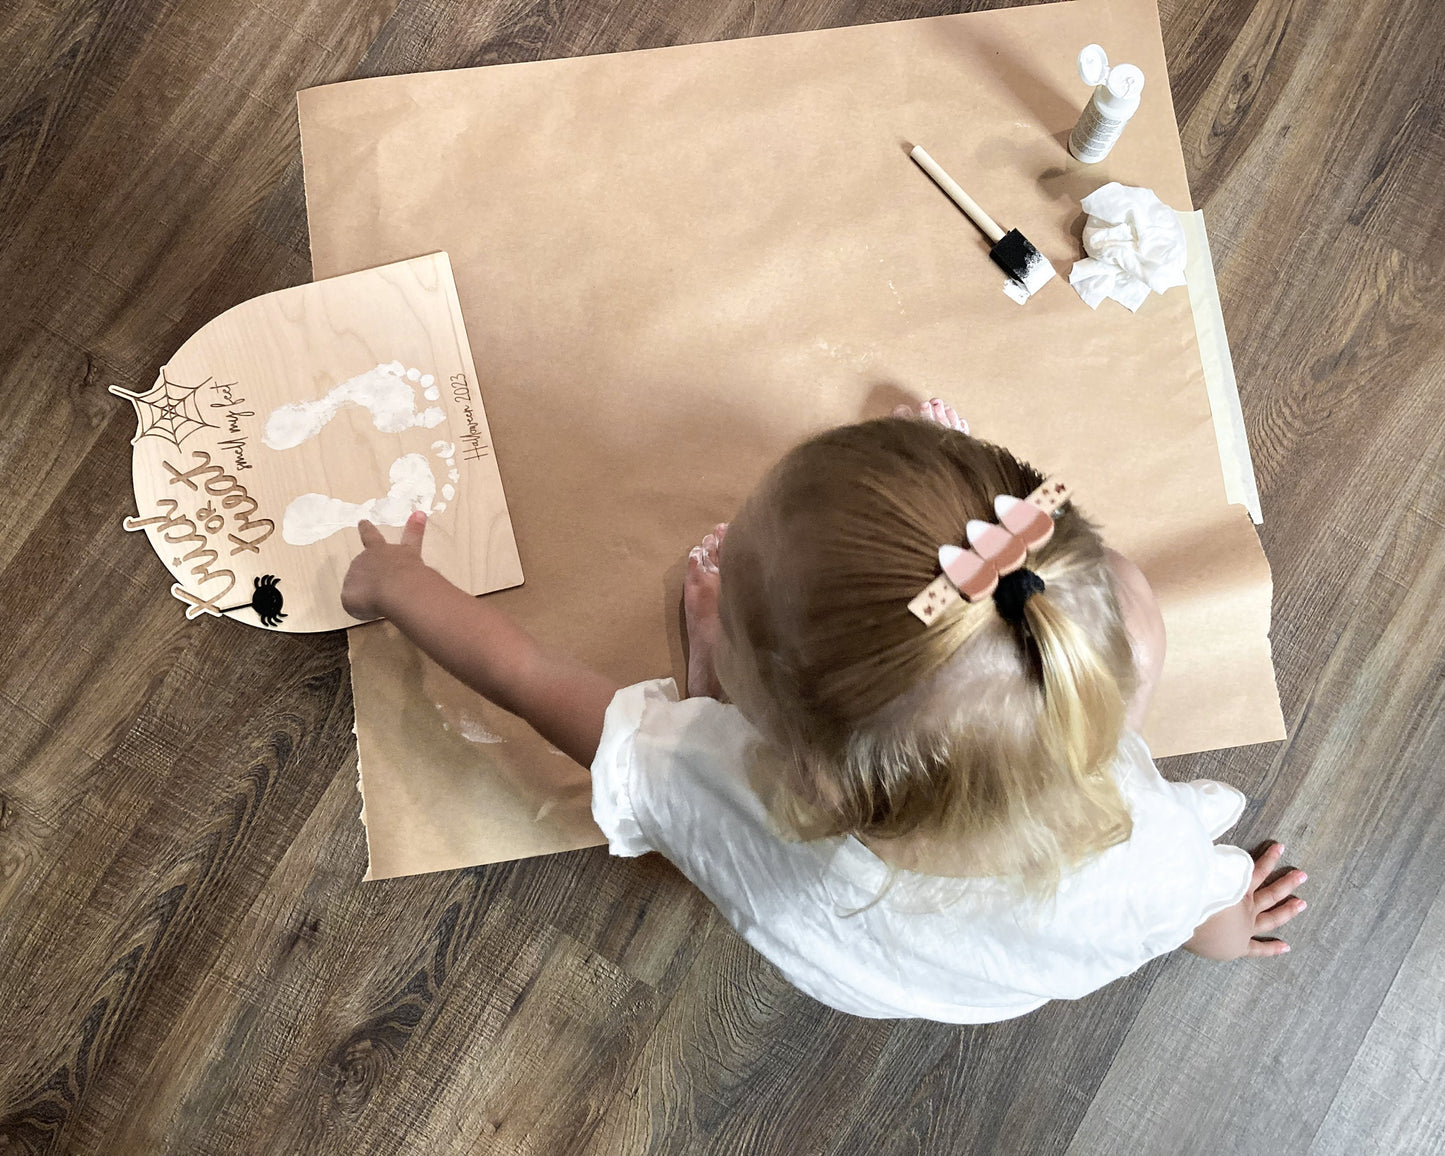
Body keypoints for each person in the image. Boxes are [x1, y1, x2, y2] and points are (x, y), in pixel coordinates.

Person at [340, 400, 1306, 1022]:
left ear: (802, 761)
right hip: (990, 963)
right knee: (1121, 601)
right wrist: (1221, 927)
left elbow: (525, 676)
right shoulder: (1150, 857)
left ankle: (713, 670)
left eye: (741, 631)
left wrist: (397, 584)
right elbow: (1193, 904)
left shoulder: (712, 781)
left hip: (849, 938)